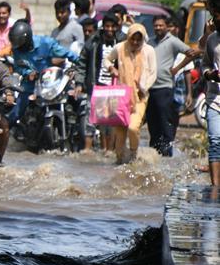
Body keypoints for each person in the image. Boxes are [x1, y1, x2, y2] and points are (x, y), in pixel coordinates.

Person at [7, 20, 78, 128]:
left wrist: (80, 62)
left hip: (50, 83)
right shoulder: (16, 49)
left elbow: (66, 53)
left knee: (72, 99)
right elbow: (18, 67)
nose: (19, 48)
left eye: (21, 45)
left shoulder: (46, 43)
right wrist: (28, 73)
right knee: (16, 113)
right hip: (30, 84)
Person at [146, 16, 200, 156]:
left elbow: (191, 53)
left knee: (165, 121)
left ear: (166, 26)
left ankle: (167, 152)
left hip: (165, 87)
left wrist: (177, 68)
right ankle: (154, 152)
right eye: (156, 25)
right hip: (149, 88)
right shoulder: (150, 42)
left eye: (161, 25)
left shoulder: (172, 41)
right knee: (152, 122)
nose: (158, 28)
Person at [106, 23, 156, 164]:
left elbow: (153, 74)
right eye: (132, 39)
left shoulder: (149, 51)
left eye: (138, 40)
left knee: (133, 127)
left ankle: (133, 155)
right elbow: (107, 59)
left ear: (142, 39)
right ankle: (120, 160)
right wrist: (111, 68)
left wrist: (144, 88)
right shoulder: (120, 48)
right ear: (128, 37)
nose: (135, 42)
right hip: (121, 95)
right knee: (120, 131)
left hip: (140, 96)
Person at [78, 13, 125, 151]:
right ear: (103, 27)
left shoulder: (123, 42)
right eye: (107, 26)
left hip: (115, 88)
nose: (109, 29)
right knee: (90, 119)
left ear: (117, 27)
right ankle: (87, 150)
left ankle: (109, 151)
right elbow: (82, 63)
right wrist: (80, 83)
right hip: (95, 86)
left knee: (110, 122)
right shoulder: (93, 42)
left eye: (112, 26)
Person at [202, 0, 220, 185]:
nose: (213, 19)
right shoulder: (212, 39)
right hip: (215, 99)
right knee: (215, 142)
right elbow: (205, 63)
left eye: (216, 15)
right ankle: (215, 187)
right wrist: (209, 74)